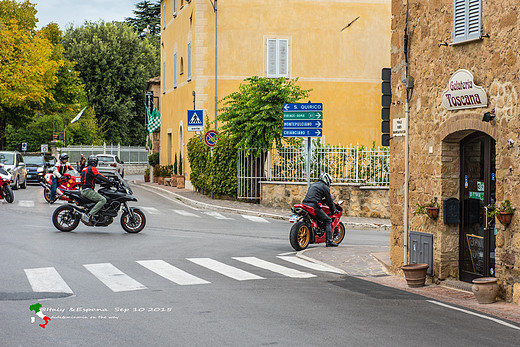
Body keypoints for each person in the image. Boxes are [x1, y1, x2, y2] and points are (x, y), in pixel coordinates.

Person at [302, 172, 338, 247]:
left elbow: (314, 196)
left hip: (304, 204)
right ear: (327, 180)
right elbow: (329, 201)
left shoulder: (313, 185)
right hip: (314, 206)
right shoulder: (325, 187)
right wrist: (334, 210)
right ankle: (329, 241)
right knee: (328, 220)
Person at [80, 155, 113, 224]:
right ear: (95, 162)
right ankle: (89, 215)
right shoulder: (92, 168)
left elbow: (94, 179)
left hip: (84, 189)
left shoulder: (85, 169)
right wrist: (108, 180)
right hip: (88, 191)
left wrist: (104, 183)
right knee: (103, 200)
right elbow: (98, 175)